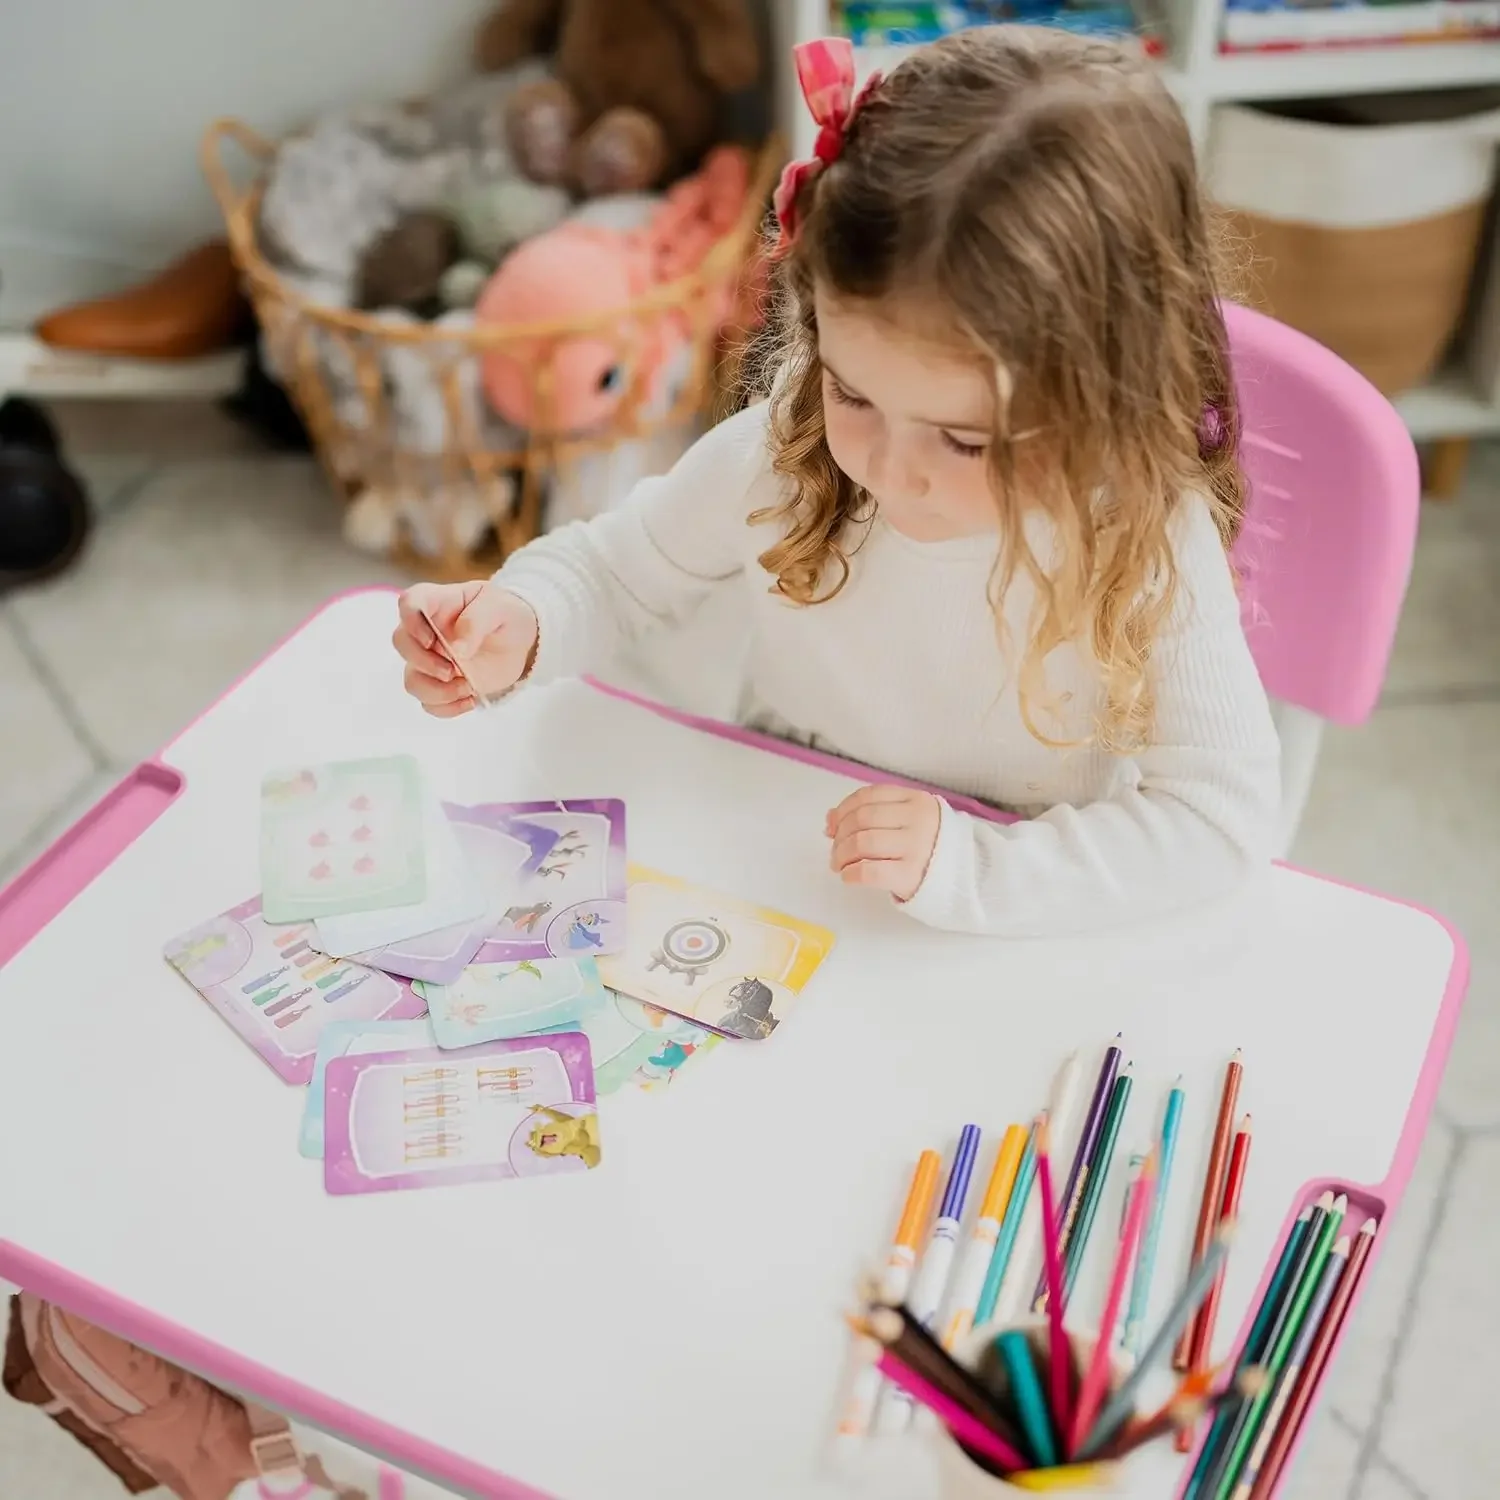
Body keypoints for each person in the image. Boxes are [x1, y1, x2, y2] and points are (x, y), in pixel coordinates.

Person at [392, 27, 1281, 938]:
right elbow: (617, 571)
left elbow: (1218, 818)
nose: (889, 470)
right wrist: (523, 624)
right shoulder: (794, 440)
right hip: (784, 874)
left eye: (965, 443)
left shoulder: (1141, 536)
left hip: (1003, 919)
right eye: (853, 388)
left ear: (1110, 398)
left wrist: (975, 866)